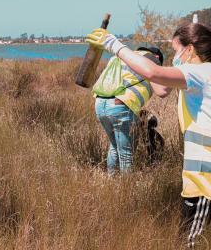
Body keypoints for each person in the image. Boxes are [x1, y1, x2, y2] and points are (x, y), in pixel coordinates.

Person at [86, 21, 211, 248]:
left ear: (190, 49)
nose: (175, 56)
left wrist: (113, 44)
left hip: (204, 181)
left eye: (176, 50)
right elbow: (162, 87)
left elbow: (153, 72)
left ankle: (120, 186)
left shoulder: (198, 72)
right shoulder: (202, 73)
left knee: (190, 243)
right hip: (197, 178)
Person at [93, 46, 169, 175]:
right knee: (126, 154)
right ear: (157, 57)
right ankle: (125, 189)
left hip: (100, 103)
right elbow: (162, 90)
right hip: (120, 105)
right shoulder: (151, 59)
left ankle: (111, 181)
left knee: (115, 147)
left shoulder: (125, 56)